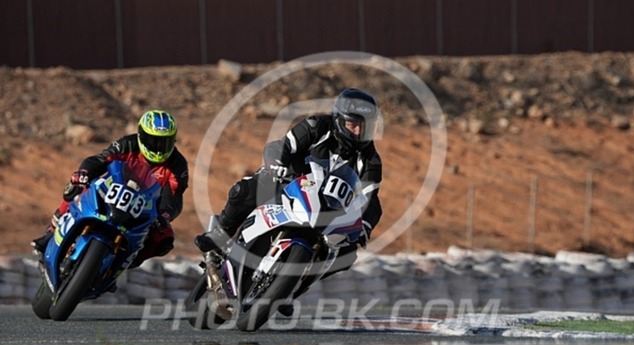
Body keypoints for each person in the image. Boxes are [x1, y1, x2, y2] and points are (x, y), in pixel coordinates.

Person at [194, 88, 383, 280]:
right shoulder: (316, 126)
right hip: (289, 183)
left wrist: (364, 226)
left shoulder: (371, 160)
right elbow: (281, 146)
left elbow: (371, 200)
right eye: (353, 125)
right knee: (243, 190)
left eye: (365, 127)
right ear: (339, 119)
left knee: (347, 254)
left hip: (329, 210)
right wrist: (276, 164)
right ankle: (221, 234)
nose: (359, 132)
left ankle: (296, 284)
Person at [31, 109, 189, 268]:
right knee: (76, 187)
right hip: (112, 190)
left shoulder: (178, 164)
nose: (158, 148)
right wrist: (84, 173)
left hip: (144, 207)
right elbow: (100, 159)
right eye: (153, 141)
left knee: (164, 239)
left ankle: (126, 263)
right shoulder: (128, 144)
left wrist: (164, 215)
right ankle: (51, 233)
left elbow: (174, 195)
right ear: (141, 135)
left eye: (165, 142)